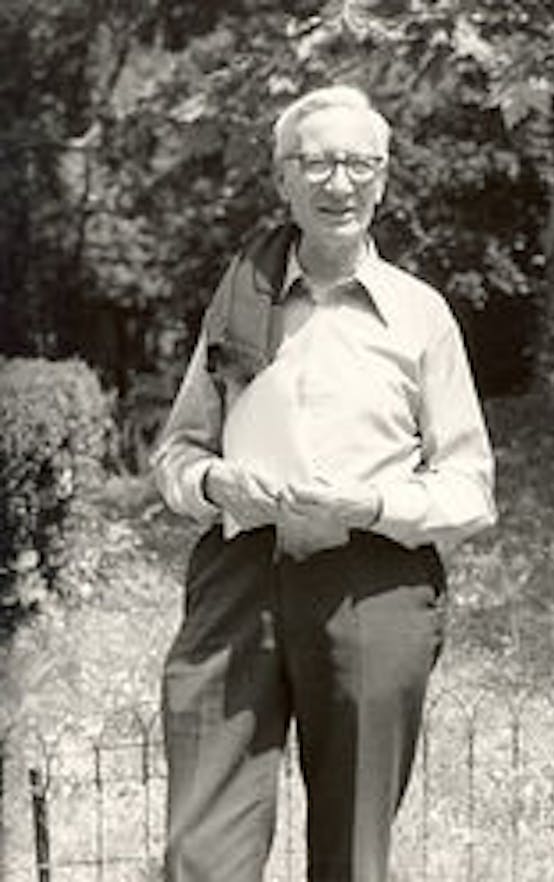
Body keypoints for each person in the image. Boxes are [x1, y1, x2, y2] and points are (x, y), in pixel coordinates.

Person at [151, 84, 495, 881]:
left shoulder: (421, 315)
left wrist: (372, 504)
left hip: (373, 585)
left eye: (358, 164)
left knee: (351, 856)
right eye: (316, 163)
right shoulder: (239, 302)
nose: (338, 183)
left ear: (383, 178)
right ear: (282, 179)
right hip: (238, 583)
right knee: (199, 853)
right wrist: (213, 485)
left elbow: (471, 487)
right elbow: (177, 453)